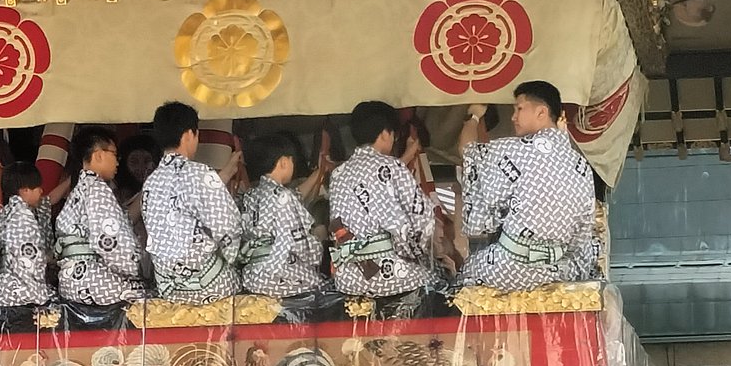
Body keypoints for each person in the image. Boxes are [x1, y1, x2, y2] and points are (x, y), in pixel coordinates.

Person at [458, 80, 600, 291]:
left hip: (511, 268)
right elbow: (583, 233)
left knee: (464, 273)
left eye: (519, 108)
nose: (513, 116)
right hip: (559, 270)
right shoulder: (580, 164)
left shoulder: (514, 150)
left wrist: (475, 116)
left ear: (541, 112)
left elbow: (467, 150)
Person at [328, 101, 435, 299]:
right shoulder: (393, 167)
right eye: (393, 135)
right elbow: (422, 220)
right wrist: (418, 254)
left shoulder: (338, 174)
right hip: (391, 276)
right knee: (436, 278)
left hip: (348, 278)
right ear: (385, 133)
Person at [142, 101, 243, 303]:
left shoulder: (151, 182)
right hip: (208, 284)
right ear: (189, 134)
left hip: (167, 286)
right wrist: (235, 258)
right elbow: (227, 227)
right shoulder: (200, 173)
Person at [55, 126, 147, 305]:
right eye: (114, 154)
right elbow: (110, 244)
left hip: (70, 282)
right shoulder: (97, 189)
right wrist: (135, 266)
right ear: (98, 155)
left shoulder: (79, 190)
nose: (118, 162)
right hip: (94, 282)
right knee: (152, 297)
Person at [240, 135, 328, 299]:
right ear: (284, 162)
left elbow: (293, 197)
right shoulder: (283, 196)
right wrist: (318, 244)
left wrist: (318, 174)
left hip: (252, 276)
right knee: (324, 286)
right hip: (278, 275)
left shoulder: (250, 195)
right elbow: (300, 246)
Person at [0, 163, 56, 308]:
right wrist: (50, 258)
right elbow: (29, 260)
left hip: (3, 288)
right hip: (21, 293)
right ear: (25, 190)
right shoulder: (23, 217)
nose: (41, 191)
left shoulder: (5, 214)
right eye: (37, 188)